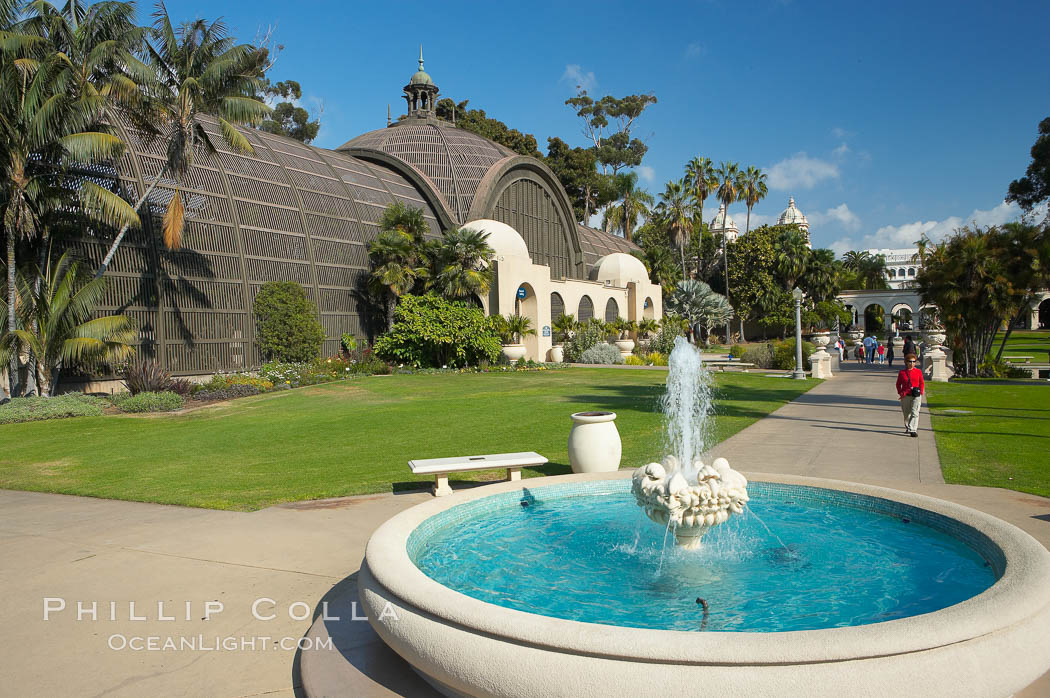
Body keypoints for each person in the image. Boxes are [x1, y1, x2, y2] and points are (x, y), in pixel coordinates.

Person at [895, 354, 924, 437]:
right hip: (906, 395)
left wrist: (920, 392)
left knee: (915, 413)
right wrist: (900, 392)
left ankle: (913, 430)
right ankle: (908, 426)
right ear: (906, 362)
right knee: (906, 414)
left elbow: (921, 383)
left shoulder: (918, 371)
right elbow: (898, 384)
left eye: (914, 361)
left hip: (916, 395)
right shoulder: (902, 373)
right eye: (910, 361)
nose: (912, 363)